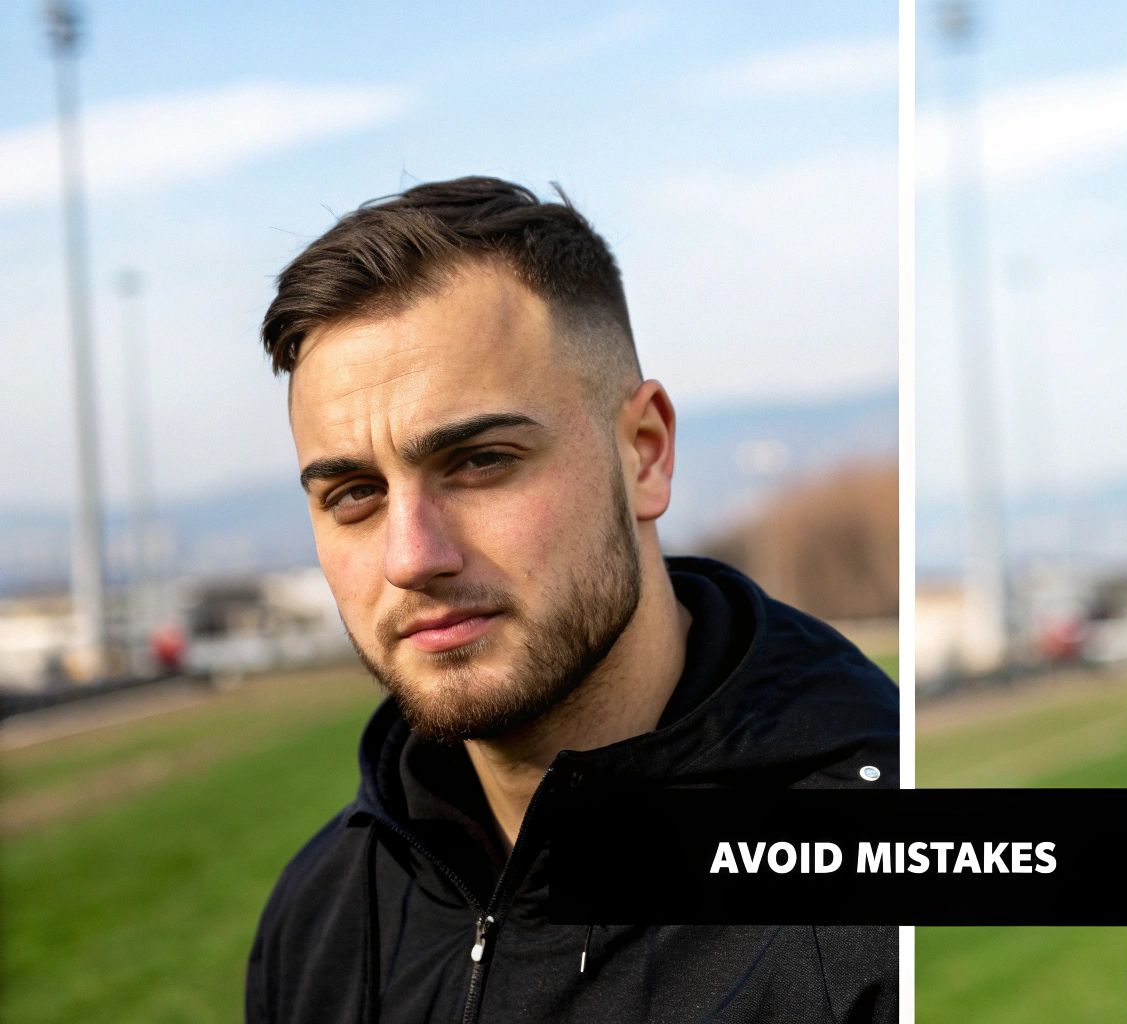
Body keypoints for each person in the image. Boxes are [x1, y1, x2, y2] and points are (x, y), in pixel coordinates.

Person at [244, 176, 898, 1023]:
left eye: (480, 462)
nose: (412, 558)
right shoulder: (323, 913)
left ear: (646, 455)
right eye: (355, 495)